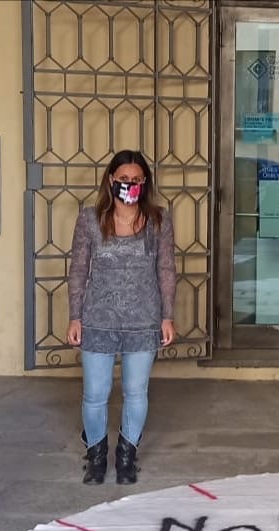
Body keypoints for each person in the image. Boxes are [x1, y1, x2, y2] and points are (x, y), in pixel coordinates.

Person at [67, 150, 178, 485]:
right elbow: (78, 270)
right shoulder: (90, 219)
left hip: (144, 320)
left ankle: (127, 455)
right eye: (123, 179)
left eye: (136, 180)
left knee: (136, 391)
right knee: (95, 393)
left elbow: (166, 270)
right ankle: (97, 456)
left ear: (145, 183)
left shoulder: (159, 219)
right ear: (110, 180)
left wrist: (167, 316)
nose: (129, 185)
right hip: (97, 318)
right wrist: (75, 317)